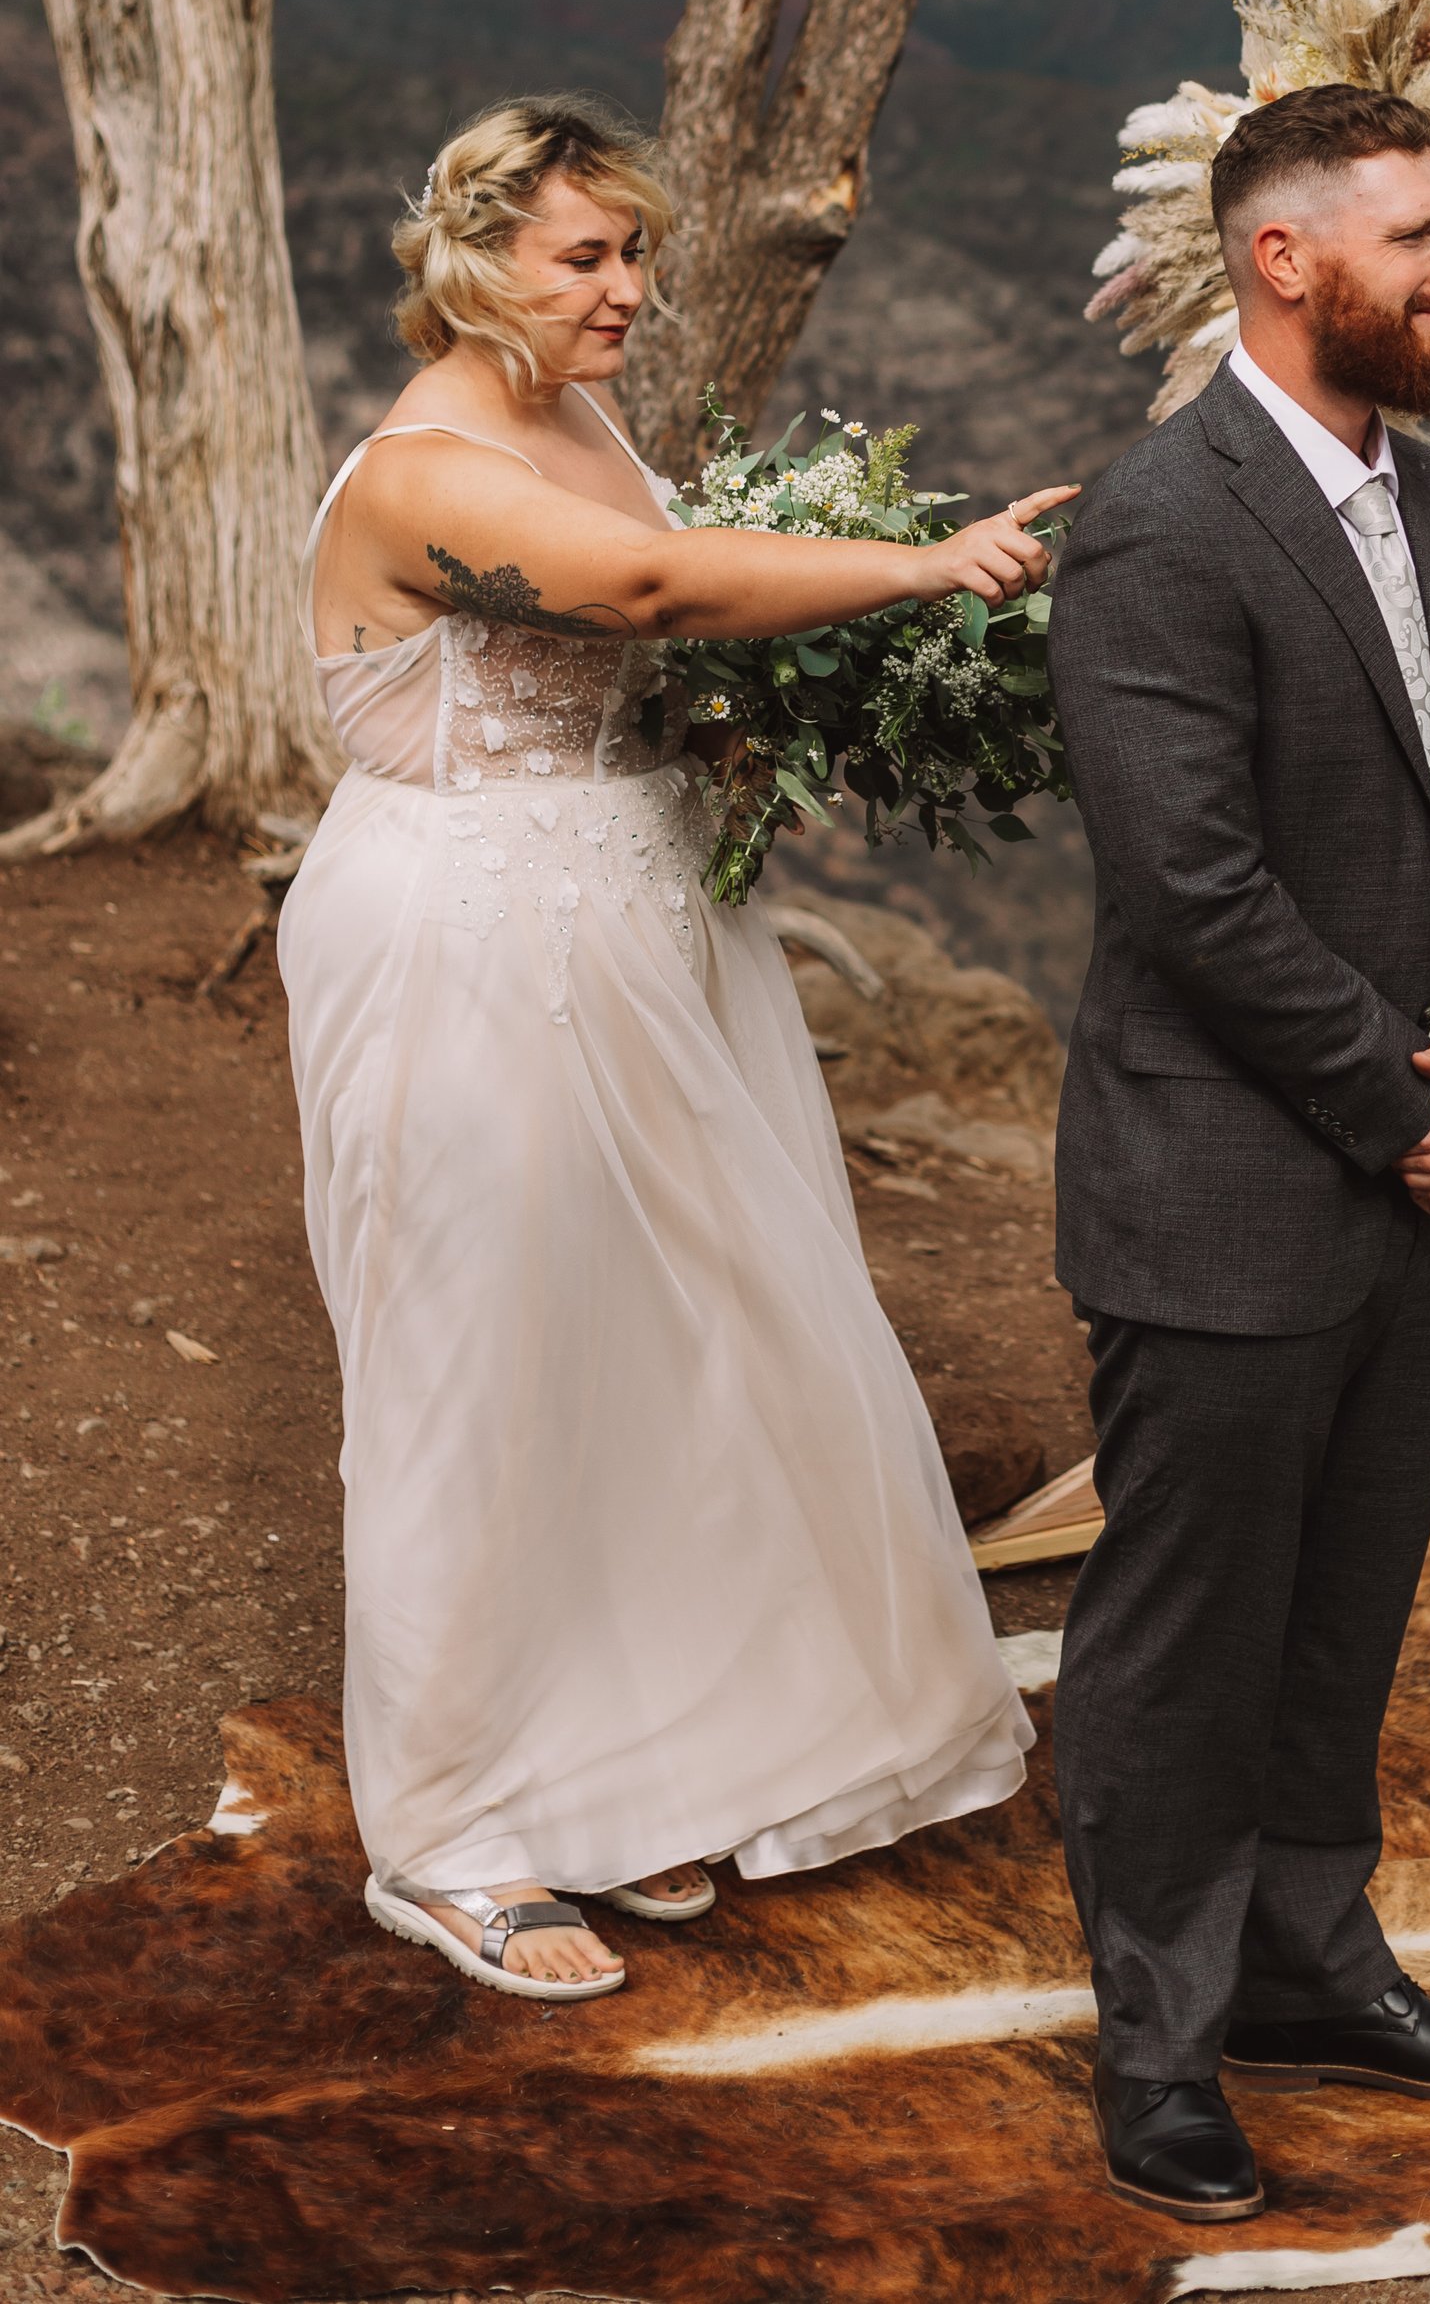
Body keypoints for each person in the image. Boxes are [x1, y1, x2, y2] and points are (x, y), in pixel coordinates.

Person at [278, 96, 1074, 1999]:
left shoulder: (577, 416)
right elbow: (642, 589)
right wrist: (920, 570)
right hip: (462, 950)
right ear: (476, 265)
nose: (631, 286)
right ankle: (455, 1834)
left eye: (637, 249)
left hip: (642, 933)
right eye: (587, 255)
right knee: (481, 1370)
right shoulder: (418, 469)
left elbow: (659, 645)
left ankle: (618, 1773)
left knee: (665, 1350)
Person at [1044, 83, 1430, 2227]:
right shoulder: (1158, 524)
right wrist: (1403, 1091)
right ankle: (1159, 2051)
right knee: (1180, 1643)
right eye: (1422, 234)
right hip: (1226, 1186)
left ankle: (1304, 1966)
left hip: (1408, 1188)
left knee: (1342, 1611)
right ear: (1284, 262)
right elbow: (1189, 887)